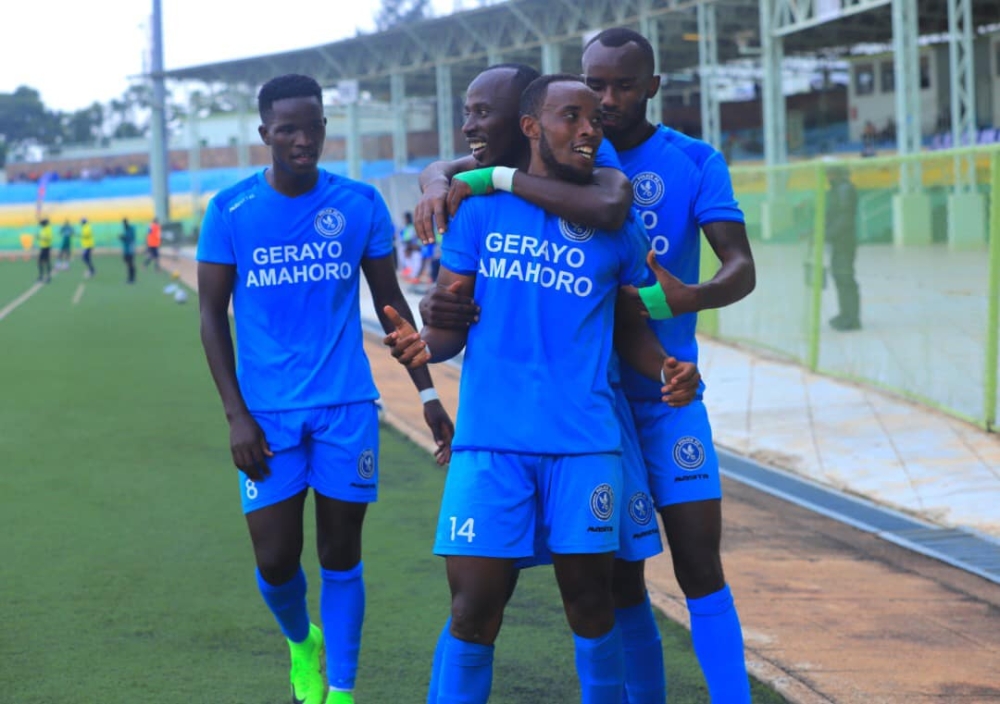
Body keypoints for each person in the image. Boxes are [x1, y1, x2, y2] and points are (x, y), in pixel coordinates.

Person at [419, 29, 758, 702]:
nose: (601, 106)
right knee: (607, 589)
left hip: (657, 405)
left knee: (694, 567)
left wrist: (694, 300)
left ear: (651, 86)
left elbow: (714, 259)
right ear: (542, 116)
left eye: (618, 90)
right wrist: (441, 185)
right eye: (587, 92)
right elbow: (471, 170)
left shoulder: (670, 168)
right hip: (581, 412)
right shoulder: (506, 185)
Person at [386, 73, 688, 704]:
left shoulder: (614, 221)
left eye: (594, 122)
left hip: (583, 445)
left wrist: (664, 365)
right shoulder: (476, 212)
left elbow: (629, 324)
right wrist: (425, 345)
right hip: (491, 446)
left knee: (591, 605)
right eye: (571, 117)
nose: (588, 129)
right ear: (531, 128)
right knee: (473, 611)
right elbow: (449, 324)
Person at [196, 73, 454, 704]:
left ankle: (340, 691)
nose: (302, 138)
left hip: (345, 408)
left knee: (341, 555)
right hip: (267, 416)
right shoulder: (229, 211)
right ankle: (300, 641)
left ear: (323, 128)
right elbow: (209, 317)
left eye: (312, 125)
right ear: (265, 135)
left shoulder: (359, 204)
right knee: (277, 562)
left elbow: (390, 303)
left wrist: (426, 394)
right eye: (287, 128)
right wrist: (236, 416)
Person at [826, 165, 860, 331]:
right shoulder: (836, 189)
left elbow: (844, 218)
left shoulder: (844, 190)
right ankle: (845, 314)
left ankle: (852, 318)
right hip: (838, 241)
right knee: (840, 278)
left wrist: (827, 234)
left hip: (844, 242)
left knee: (846, 278)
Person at [119, 218, 136, 283]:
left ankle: (132, 278)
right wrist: (122, 238)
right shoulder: (126, 229)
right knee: (128, 264)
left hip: (130, 250)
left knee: (130, 264)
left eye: (124, 223)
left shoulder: (130, 229)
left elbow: (130, 238)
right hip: (126, 250)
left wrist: (123, 238)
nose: (123, 225)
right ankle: (130, 278)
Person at [36, 218, 53, 283]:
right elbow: (42, 237)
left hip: (46, 248)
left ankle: (46, 277)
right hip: (43, 247)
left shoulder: (48, 229)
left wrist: (41, 237)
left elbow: (49, 238)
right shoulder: (43, 229)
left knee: (45, 262)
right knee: (41, 262)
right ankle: (42, 276)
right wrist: (38, 237)